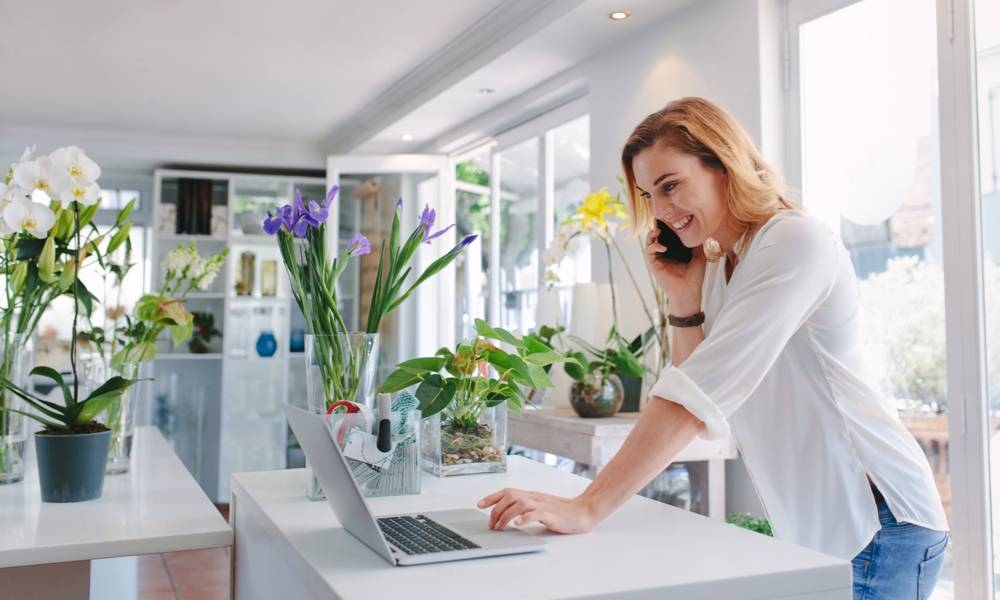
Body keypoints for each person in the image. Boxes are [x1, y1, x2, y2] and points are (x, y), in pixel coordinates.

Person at [478, 97, 949, 599]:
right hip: (826, 519)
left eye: (670, 185)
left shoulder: (794, 242)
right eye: (648, 195)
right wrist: (684, 299)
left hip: (878, 516)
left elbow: (697, 393)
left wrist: (587, 505)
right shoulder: (726, 264)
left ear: (723, 164)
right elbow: (699, 388)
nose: (659, 211)